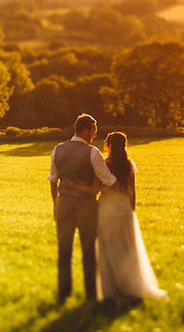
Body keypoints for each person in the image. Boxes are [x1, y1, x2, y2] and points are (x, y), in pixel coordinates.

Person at [62, 131, 167, 301]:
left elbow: (94, 190)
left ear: (109, 145)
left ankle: (112, 288)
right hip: (125, 209)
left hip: (108, 209)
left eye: (105, 141)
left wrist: (72, 184)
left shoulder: (105, 164)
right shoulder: (129, 164)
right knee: (127, 248)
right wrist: (131, 209)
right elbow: (132, 191)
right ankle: (131, 283)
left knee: (108, 248)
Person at [48, 114, 118, 304]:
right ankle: (91, 295)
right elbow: (108, 180)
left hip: (64, 205)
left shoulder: (58, 149)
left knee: (64, 252)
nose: (95, 134)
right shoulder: (92, 152)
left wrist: (56, 203)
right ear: (86, 130)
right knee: (88, 252)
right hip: (86, 206)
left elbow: (53, 180)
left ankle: (64, 294)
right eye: (94, 130)